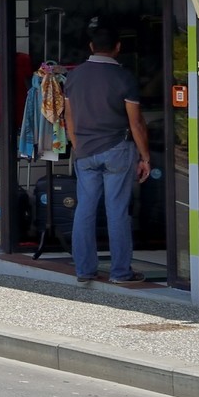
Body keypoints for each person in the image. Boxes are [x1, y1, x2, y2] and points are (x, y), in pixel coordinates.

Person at [63, 27, 151, 287]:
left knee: (85, 210)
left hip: (85, 151)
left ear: (91, 47)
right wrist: (145, 156)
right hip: (117, 149)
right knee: (117, 211)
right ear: (118, 47)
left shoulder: (74, 77)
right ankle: (120, 272)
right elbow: (136, 124)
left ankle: (84, 269)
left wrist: (78, 146)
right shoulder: (124, 78)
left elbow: (69, 118)